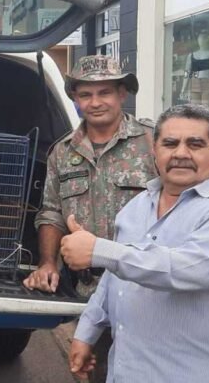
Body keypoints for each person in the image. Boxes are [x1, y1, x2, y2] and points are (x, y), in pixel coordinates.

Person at [65, 104, 209, 382]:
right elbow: (114, 279)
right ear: (155, 151)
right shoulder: (136, 207)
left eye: (195, 144)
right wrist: (87, 331)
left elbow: (189, 270)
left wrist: (98, 250)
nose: (180, 153)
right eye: (170, 143)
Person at [22, 55, 157, 382]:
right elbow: (51, 212)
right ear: (75, 99)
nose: (95, 103)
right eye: (85, 94)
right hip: (90, 293)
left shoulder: (153, 142)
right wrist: (48, 264)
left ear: (122, 93)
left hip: (146, 288)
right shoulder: (62, 151)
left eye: (104, 92)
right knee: (97, 373)